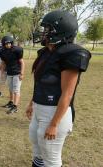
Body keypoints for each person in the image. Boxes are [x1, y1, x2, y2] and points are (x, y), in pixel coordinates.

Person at [26, 10, 91, 167]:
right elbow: (41, 82)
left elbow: (67, 94)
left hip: (54, 111)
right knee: (37, 148)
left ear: (60, 31)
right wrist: (31, 102)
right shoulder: (47, 52)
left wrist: (54, 124)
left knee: (51, 158)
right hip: (39, 107)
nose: (43, 33)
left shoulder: (71, 53)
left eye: (47, 29)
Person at [0, 36, 25, 114]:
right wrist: (2, 72)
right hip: (9, 73)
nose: (8, 45)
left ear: (12, 43)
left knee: (16, 90)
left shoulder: (17, 50)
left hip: (17, 73)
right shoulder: (2, 51)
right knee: (10, 89)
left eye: (9, 43)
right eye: (6, 44)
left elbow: (22, 62)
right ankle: (11, 102)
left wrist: (22, 73)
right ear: (3, 44)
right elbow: (3, 63)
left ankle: (15, 106)